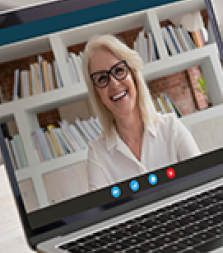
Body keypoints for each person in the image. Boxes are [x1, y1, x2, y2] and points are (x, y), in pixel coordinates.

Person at [82, 34, 201, 190]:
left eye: (119, 70)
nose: (114, 84)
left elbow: (204, 185)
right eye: (102, 79)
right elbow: (105, 213)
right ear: (97, 93)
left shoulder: (171, 128)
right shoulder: (97, 155)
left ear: (133, 76)